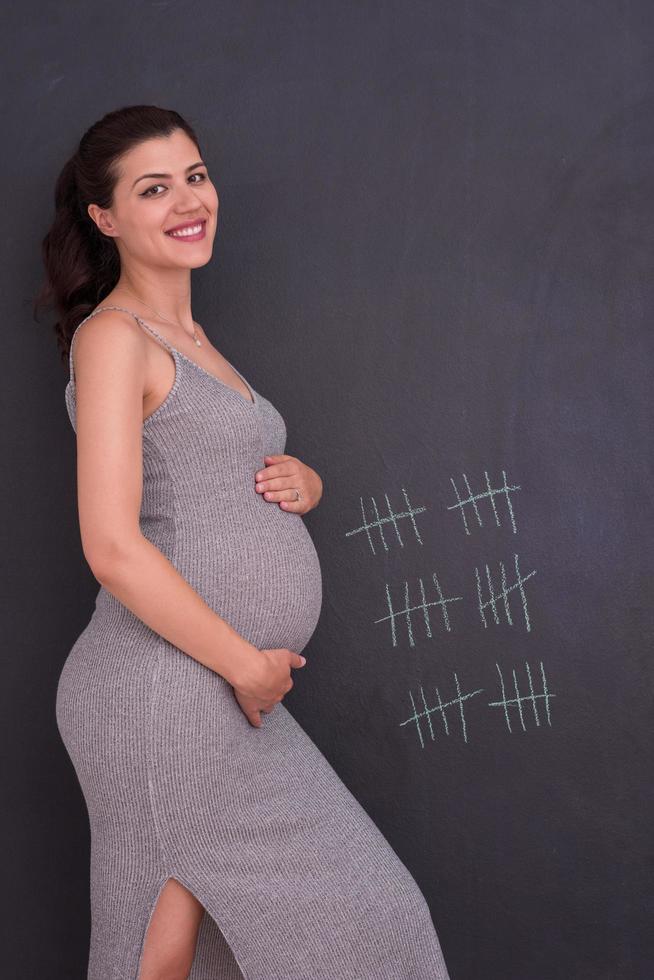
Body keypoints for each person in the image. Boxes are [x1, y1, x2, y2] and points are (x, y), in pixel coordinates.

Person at [36, 104, 451, 980]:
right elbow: (111, 544)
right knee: (163, 954)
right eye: (154, 188)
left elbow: (208, 472)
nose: (189, 200)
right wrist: (245, 663)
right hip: (165, 693)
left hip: (215, 691)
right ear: (105, 218)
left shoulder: (195, 342)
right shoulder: (113, 339)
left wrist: (307, 484)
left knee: (283, 939)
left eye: (195, 175)